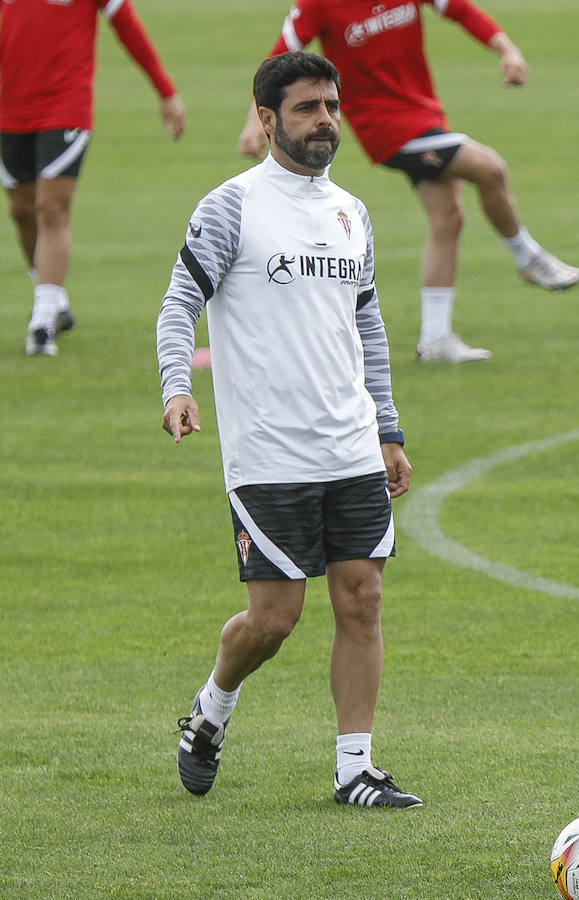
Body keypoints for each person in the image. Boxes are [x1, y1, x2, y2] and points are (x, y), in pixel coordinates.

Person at [158, 51, 421, 809]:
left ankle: (354, 770)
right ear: (267, 119)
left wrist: (388, 430)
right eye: (307, 108)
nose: (325, 122)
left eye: (331, 106)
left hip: (350, 444)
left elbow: (367, 325)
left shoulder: (351, 213)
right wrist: (178, 387)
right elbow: (179, 305)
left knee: (362, 599)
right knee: (275, 618)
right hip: (268, 452)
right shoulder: (230, 207)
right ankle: (211, 708)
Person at [238, 0, 579, 364]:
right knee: (490, 168)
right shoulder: (318, 5)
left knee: (448, 218)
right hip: (384, 128)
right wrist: (254, 121)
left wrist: (507, 49)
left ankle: (434, 340)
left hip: (424, 114)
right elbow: (277, 61)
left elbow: (460, 10)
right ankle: (528, 257)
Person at [0, 0, 185, 357]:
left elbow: (127, 25)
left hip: (67, 105)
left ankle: (41, 323)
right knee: (21, 210)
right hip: (12, 110)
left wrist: (165, 90)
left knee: (50, 208)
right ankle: (55, 300)